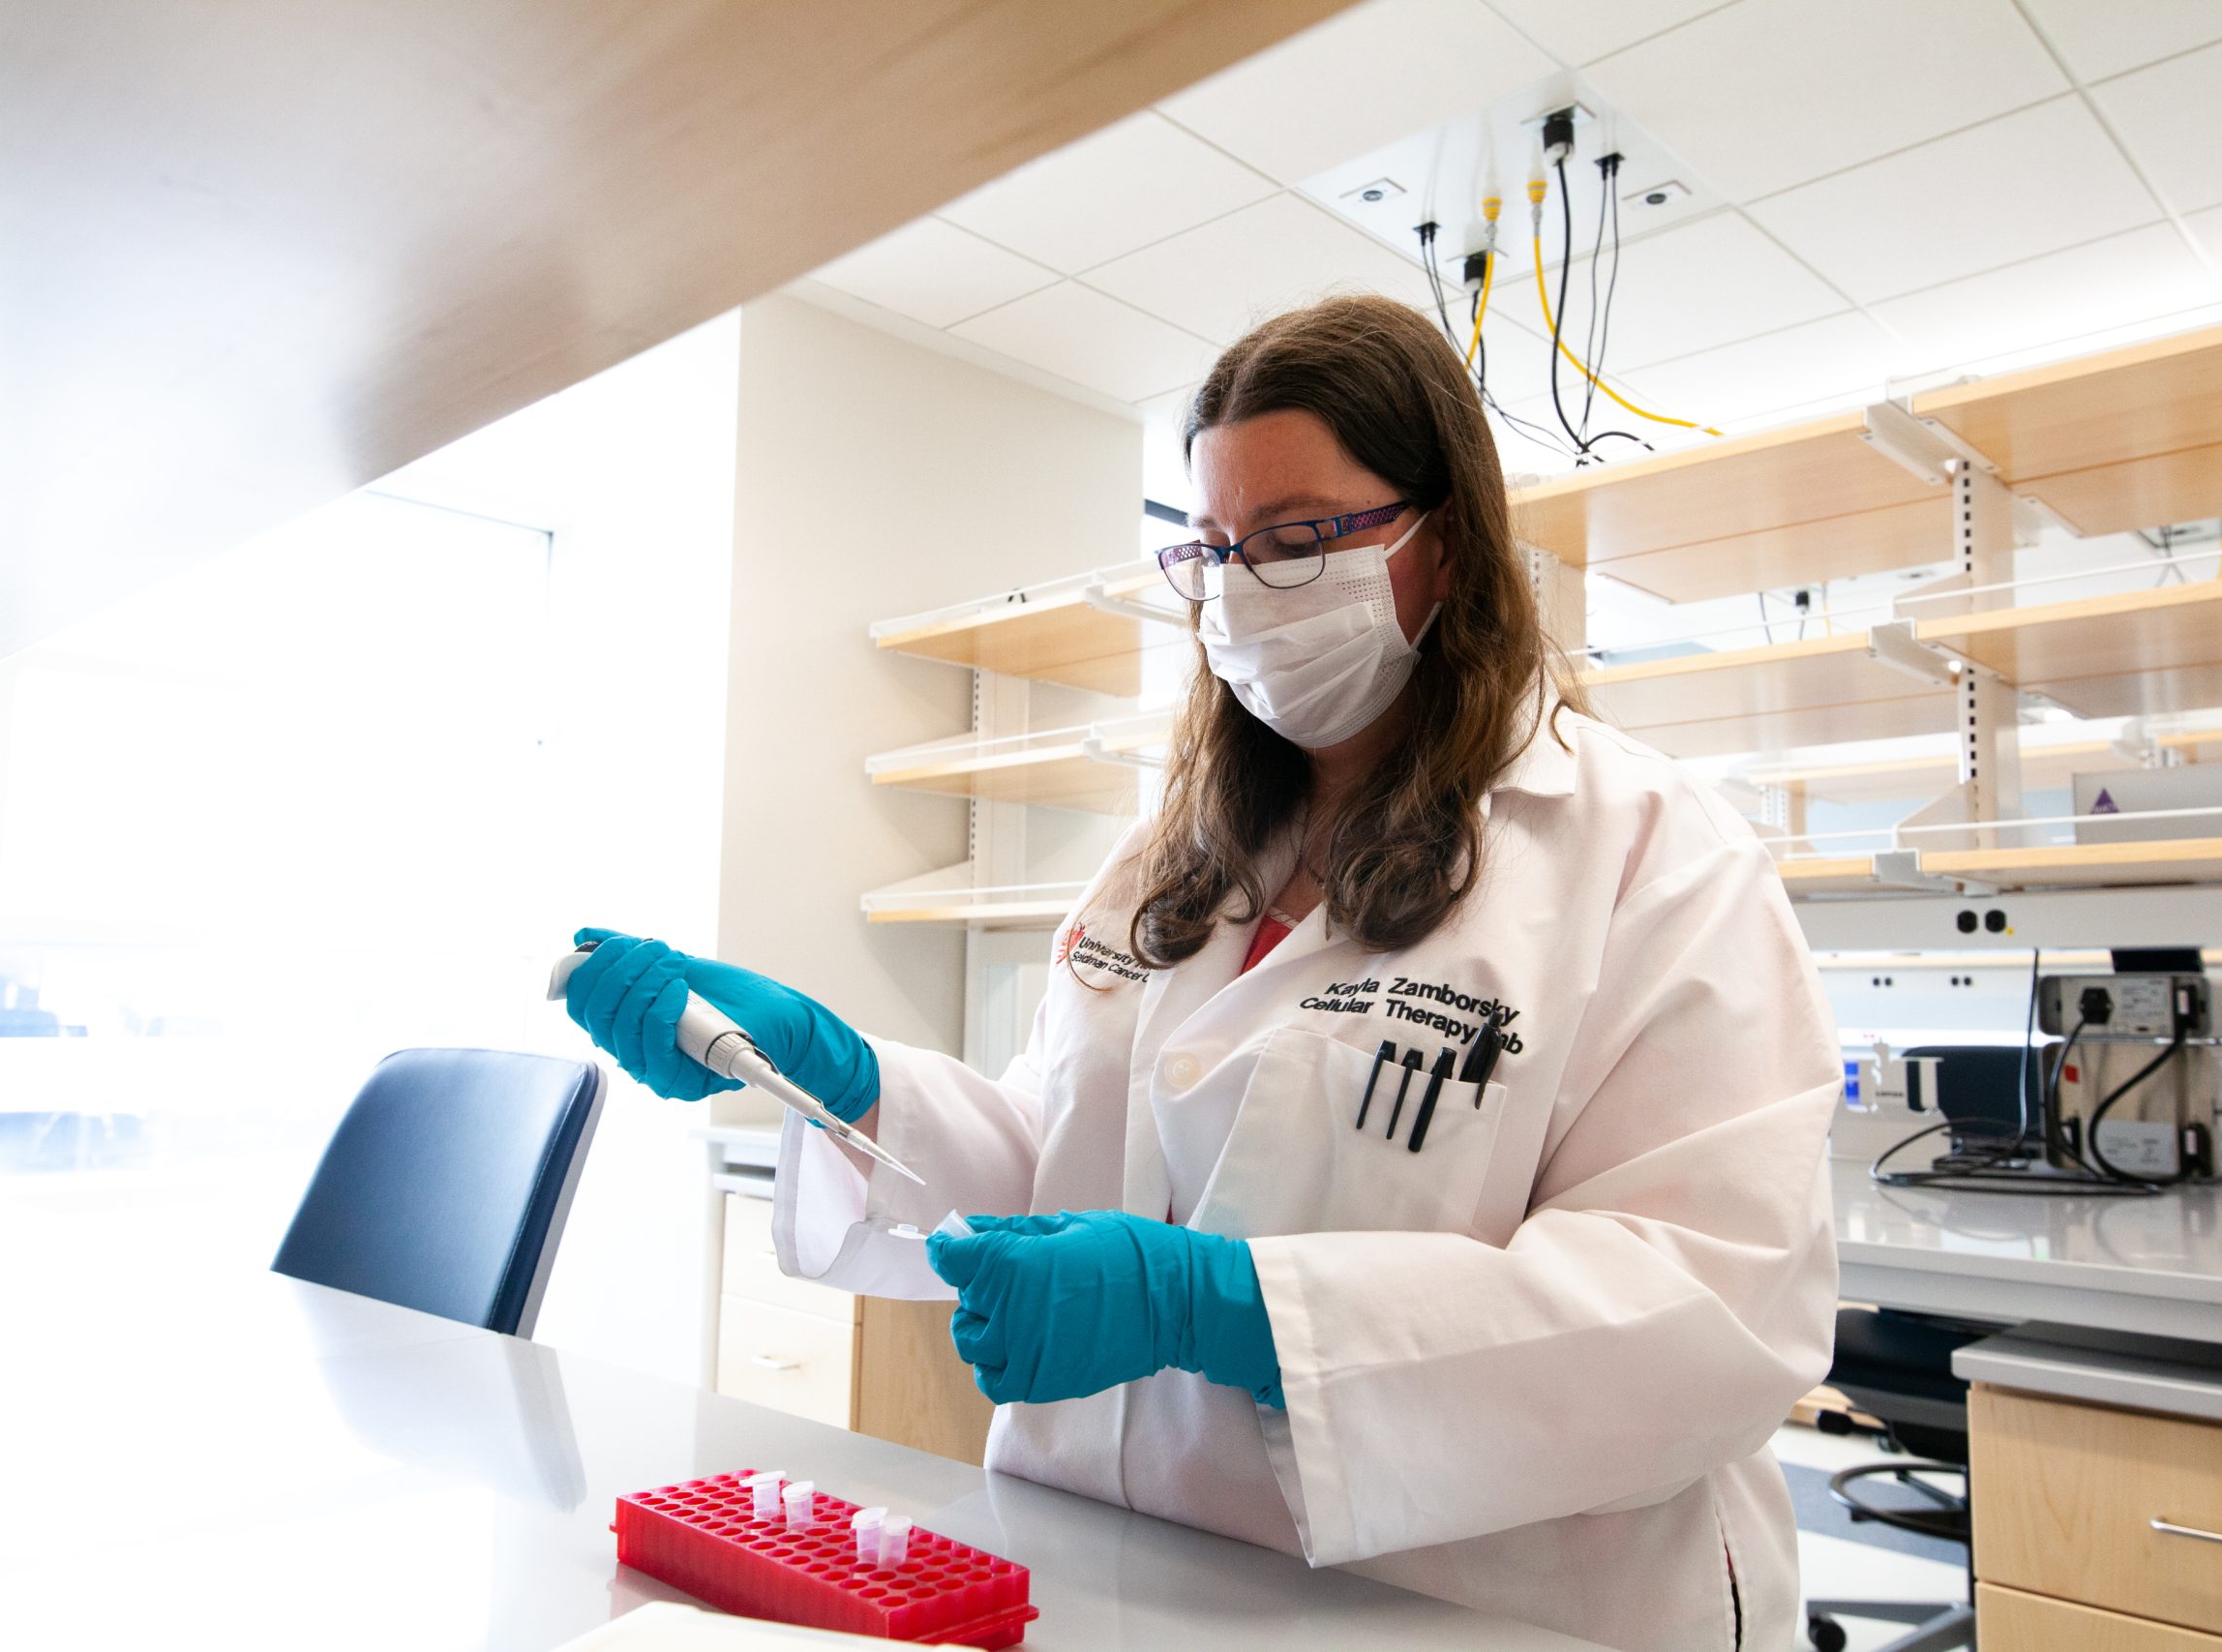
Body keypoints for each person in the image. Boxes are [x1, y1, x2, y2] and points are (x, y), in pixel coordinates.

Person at [565, 294, 1840, 1651]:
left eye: (1297, 539)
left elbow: (1704, 1310)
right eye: (1213, 549)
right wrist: (842, 1082)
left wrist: (1226, 1308)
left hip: (1464, 1611)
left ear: (1446, 545)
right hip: (1104, 1574)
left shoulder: (1647, 854)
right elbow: (1072, 1165)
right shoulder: (1173, 854)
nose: (1242, 589)